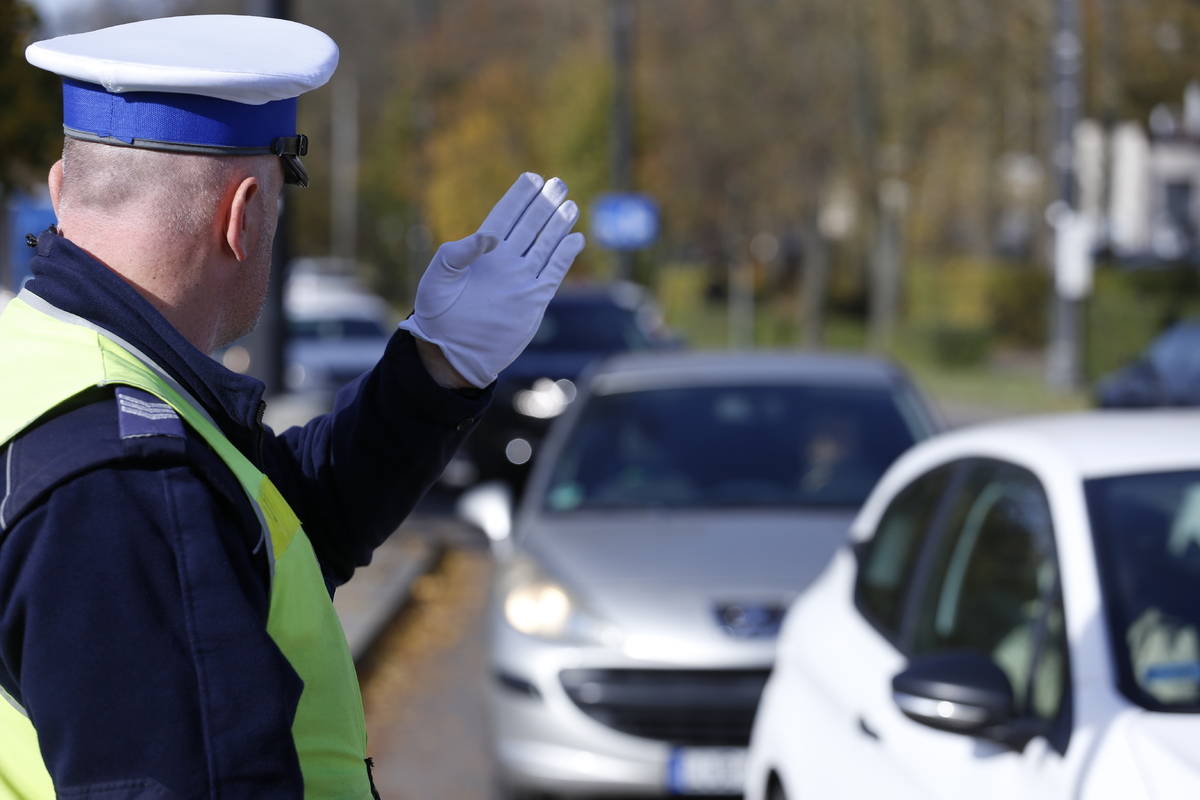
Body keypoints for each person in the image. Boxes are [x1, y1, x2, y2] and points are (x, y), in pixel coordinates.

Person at [0, 15, 583, 800]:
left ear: (64, 189)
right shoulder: (135, 483)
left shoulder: (47, 364)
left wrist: (438, 364)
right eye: (279, 198)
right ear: (241, 217)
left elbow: (276, 527)